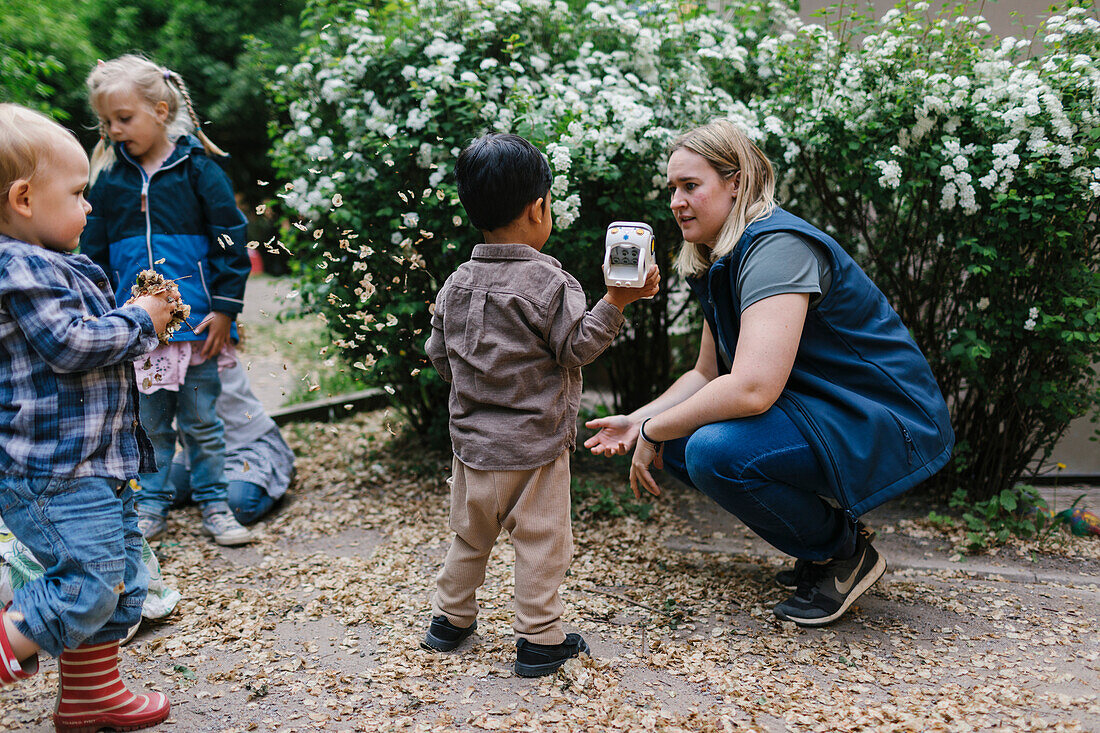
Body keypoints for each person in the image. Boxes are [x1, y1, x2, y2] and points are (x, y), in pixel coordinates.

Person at [585, 119, 953, 627]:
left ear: (736, 182)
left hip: (887, 419)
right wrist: (640, 421)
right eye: (673, 188)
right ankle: (821, 543)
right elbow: (706, 374)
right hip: (823, 413)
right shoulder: (725, 259)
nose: (676, 201)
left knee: (712, 449)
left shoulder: (777, 248)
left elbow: (754, 389)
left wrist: (656, 428)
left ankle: (843, 553)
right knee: (680, 438)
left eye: (691, 186)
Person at [422, 133, 660, 676]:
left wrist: (477, 393)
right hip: (536, 448)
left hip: (472, 448)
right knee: (541, 543)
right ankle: (539, 639)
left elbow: (440, 353)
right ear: (539, 208)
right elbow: (577, 346)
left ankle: (450, 620)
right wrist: (617, 301)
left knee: (469, 535)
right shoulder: (551, 283)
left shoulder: (456, 282)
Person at [0, 103, 173, 731]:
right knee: (87, 584)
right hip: (55, 471)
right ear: (23, 198)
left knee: (124, 585)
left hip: (96, 461)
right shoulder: (17, 266)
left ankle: (90, 696)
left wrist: (134, 318)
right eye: (77, 193)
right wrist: (140, 320)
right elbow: (71, 344)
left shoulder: (52, 263)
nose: (89, 206)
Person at [80, 55, 254, 546]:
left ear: (160, 110)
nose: (114, 130)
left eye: (124, 118)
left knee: (201, 420)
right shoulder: (110, 179)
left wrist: (224, 308)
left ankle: (215, 503)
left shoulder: (197, 170)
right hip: (138, 328)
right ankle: (150, 504)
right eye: (106, 121)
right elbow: (92, 249)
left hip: (198, 325)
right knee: (150, 422)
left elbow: (229, 238)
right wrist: (97, 311)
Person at [168, 359, 296, 525]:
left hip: (245, 444)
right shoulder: (167, 356)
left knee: (239, 508)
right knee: (165, 493)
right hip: (198, 452)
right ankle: (217, 490)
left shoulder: (215, 349)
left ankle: (278, 478)